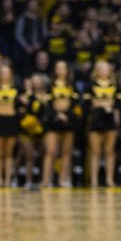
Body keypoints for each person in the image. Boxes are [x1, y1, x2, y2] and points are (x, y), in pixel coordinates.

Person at [84, 60, 121, 187]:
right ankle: (94, 180)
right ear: (96, 71)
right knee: (95, 151)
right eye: (101, 68)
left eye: (106, 69)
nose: (104, 71)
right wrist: (102, 104)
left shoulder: (115, 85)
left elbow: (119, 104)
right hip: (95, 120)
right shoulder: (90, 85)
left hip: (110, 120)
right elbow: (86, 103)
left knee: (110, 151)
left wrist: (116, 118)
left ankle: (109, 179)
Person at [41, 60, 79, 188]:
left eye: (64, 68)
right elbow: (46, 105)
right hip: (53, 121)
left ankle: (63, 179)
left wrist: (67, 115)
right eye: (59, 68)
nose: (61, 71)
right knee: (50, 151)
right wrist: (56, 114)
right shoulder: (50, 86)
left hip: (68, 121)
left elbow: (76, 104)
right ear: (55, 70)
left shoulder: (72, 86)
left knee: (66, 152)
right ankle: (46, 180)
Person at [0, 63, 23, 187]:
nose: (5, 75)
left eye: (7, 72)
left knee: (9, 153)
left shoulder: (16, 89)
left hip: (11, 121)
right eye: (2, 72)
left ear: (11, 74)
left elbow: (20, 107)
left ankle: (8, 178)